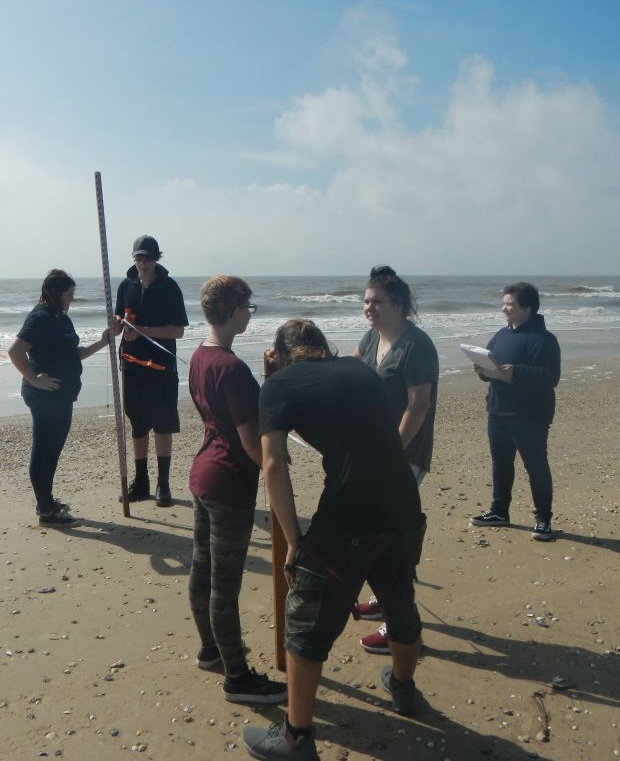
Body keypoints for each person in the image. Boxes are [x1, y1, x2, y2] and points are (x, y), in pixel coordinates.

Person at [243, 320, 427, 761]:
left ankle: (296, 738)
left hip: (348, 517)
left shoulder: (280, 384)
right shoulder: (359, 369)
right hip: (403, 504)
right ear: (324, 347)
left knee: (305, 624)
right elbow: (331, 424)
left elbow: (273, 465)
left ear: (281, 356)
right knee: (400, 601)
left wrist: (293, 539)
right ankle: (403, 687)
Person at [187, 276, 287, 705]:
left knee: (203, 569)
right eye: (247, 306)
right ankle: (237, 677)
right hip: (228, 482)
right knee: (223, 586)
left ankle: (211, 651)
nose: (250, 312)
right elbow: (252, 445)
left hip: (203, 473)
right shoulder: (231, 368)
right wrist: (275, 464)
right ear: (230, 311)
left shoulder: (200, 357)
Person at [351, 265, 438, 656]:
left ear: (399, 305)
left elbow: (419, 406)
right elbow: (350, 374)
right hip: (374, 452)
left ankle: (398, 623)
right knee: (374, 529)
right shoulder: (371, 338)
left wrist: (391, 455)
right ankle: (386, 601)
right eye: (366, 301)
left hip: (404, 455)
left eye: (377, 302)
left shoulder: (417, 346)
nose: (369, 308)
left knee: (391, 539)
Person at [8, 270, 111, 525]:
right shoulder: (40, 318)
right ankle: (46, 511)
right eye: (69, 295)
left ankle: (47, 501)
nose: (72, 300)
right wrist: (35, 379)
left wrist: (102, 342)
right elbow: (15, 351)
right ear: (55, 294)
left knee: (54, 451)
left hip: (64, 396)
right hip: (45, 396)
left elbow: (73, 353)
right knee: (43, 450)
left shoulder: (61, 318)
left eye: (73, 295)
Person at [470, 282, 561, 541]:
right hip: (498, 410)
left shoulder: (543, 339)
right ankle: (499, 511)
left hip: (530, 413)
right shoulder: (501, 335)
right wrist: (483, 372)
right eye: (504, 303)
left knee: (535, 466)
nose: (504, 309)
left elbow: (551, 376)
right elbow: (493, 368)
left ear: (527, 308)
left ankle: (543, 519)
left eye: (510, 305)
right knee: (500, 462)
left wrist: (516, 372)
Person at [113, 235, 189, 507]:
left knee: (163, 423)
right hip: (132, 366)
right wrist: (116, 325)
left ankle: (164, 484)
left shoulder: (170, 288)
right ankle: (141, 481)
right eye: (138, 257)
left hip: (161, 366)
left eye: (147, 257)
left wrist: (143, 332)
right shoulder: (125, 286)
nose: (142, 262)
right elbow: (120, 324)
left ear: (157, 258)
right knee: (138, 422)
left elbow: (178, 330)